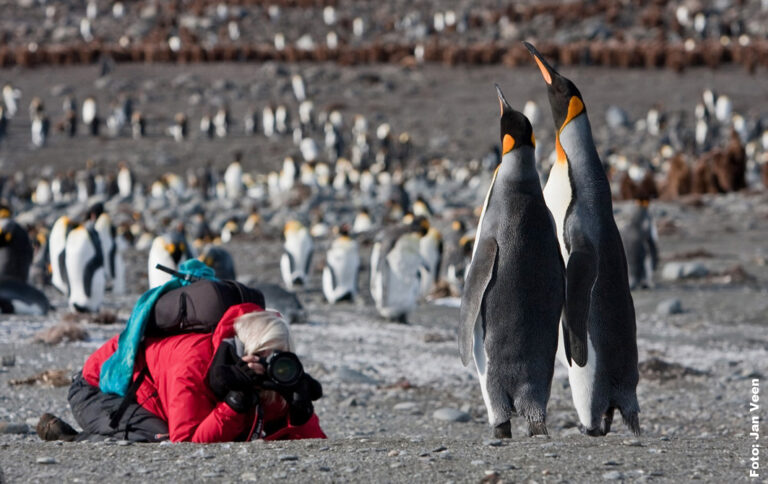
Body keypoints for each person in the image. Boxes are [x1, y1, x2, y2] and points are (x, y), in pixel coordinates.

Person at [37, 304, 325, 442]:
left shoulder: (254, 369)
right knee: (157, 440)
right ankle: (70, 437)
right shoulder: (195, 361)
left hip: (158, 394)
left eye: (278, 355)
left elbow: (312, 443)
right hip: (100, 390)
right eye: (262, 353)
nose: (270, 362)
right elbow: (187, 442)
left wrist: (300, 413)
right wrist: (237, 401)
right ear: (245, 347)